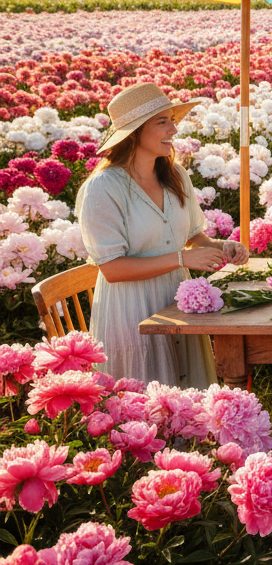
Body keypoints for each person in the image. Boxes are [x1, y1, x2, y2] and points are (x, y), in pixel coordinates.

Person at [77, 83, 248, 388]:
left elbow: (196, 238)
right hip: (130, 312)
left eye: (172, 119)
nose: (174, 128)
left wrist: (226, 248)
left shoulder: (175, 175)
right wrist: (183, 258)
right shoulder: (103, 188)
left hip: (178, 302)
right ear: (134, 133)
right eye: (162, 122)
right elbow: (112, 269)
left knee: (187, 406)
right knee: (147, 410)